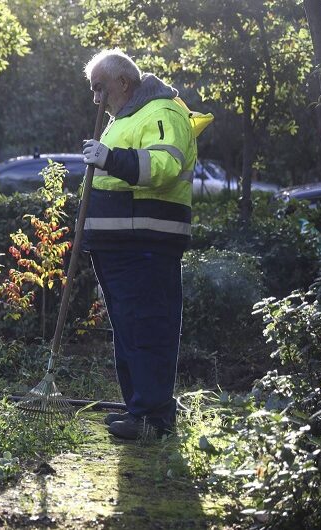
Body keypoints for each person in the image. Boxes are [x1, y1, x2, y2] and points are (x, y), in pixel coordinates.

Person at [80, 49, 204, 440]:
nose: (96, 99)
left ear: (123, 82)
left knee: (148, 327)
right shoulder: (125, 118)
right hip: (121, 245)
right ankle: (138, 409)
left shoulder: (163, 112)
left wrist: (110, 159)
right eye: (92, 90)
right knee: (129, 330)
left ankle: (153, 417)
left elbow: (164, 167)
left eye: (100, 88)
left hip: (146, 244)